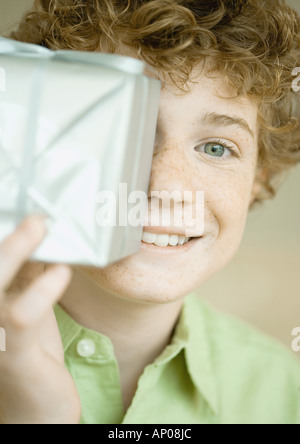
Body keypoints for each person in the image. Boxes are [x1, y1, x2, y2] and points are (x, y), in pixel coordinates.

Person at [0, 0, 300, 424]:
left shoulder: (284, 393)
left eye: (216, 148)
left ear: (256, 181)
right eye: (124, 130)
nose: (166, 186)